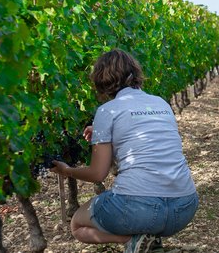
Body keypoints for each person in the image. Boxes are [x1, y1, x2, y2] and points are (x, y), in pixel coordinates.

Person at [50, 49, 198, 253]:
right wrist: (106, 134)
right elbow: (146, 137)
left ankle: (133, 239)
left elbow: (97, 174)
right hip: (184, 208)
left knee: (77, 225)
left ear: (102, 79)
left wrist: (67, 171)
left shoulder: (107, 110)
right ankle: (149, 241)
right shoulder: (161, 103)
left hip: (141, 210)